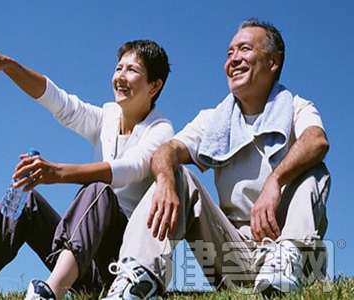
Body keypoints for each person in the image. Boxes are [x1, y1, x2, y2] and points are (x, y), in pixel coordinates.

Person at [103, 18, 331, 299]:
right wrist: (164, 181)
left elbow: (317, 141)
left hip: (290, 256)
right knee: (175, 174)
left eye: (244, 49)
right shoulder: (214, 120)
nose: (233, 60)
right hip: (233, 254)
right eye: (229, 53)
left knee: (315, 170)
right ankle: (137, 279)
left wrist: (275, 180)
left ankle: (286, 261)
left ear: (273, 62)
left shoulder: (297, 107)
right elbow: (166, 151)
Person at [0, 38, 174, 300]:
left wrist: (56, 173)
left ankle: (52, 292)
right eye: (118, 68)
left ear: (154, 85)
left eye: (132, 70)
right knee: (29, 201)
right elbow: (59, 102)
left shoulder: (161, 130)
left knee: (99, 191)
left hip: (120, 268)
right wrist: (8, 66)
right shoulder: (108, 118)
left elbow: (128, 169)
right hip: (82, 256)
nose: (121, 77)